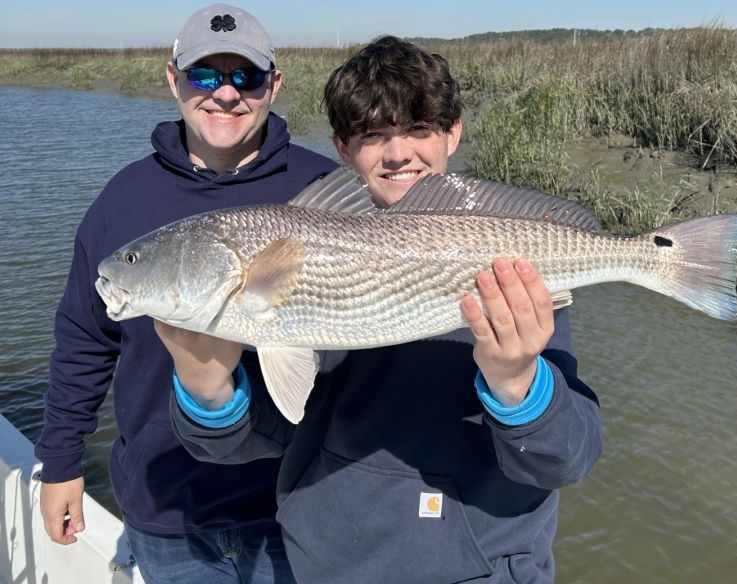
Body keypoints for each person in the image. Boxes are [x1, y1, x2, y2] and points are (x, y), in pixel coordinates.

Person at [160, 36, 604, 584]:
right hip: (327, 566)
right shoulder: (303, 249)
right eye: (372, 135)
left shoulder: (507, 264)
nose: (397, 154)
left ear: (453, 133)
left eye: (419, 129)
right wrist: (207, 389)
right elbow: (266, 433)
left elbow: (569, 458)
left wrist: (518, 384)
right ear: (342, 149)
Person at [35, 3, 337, 583]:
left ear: (274, 85)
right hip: (169, 511)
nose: (225, 93)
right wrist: (61, 460)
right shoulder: (123, 200)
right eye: (203, 75)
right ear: (173, 79)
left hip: (300, 505)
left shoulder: (324, 186)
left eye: (245, 76)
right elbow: (83, 341)